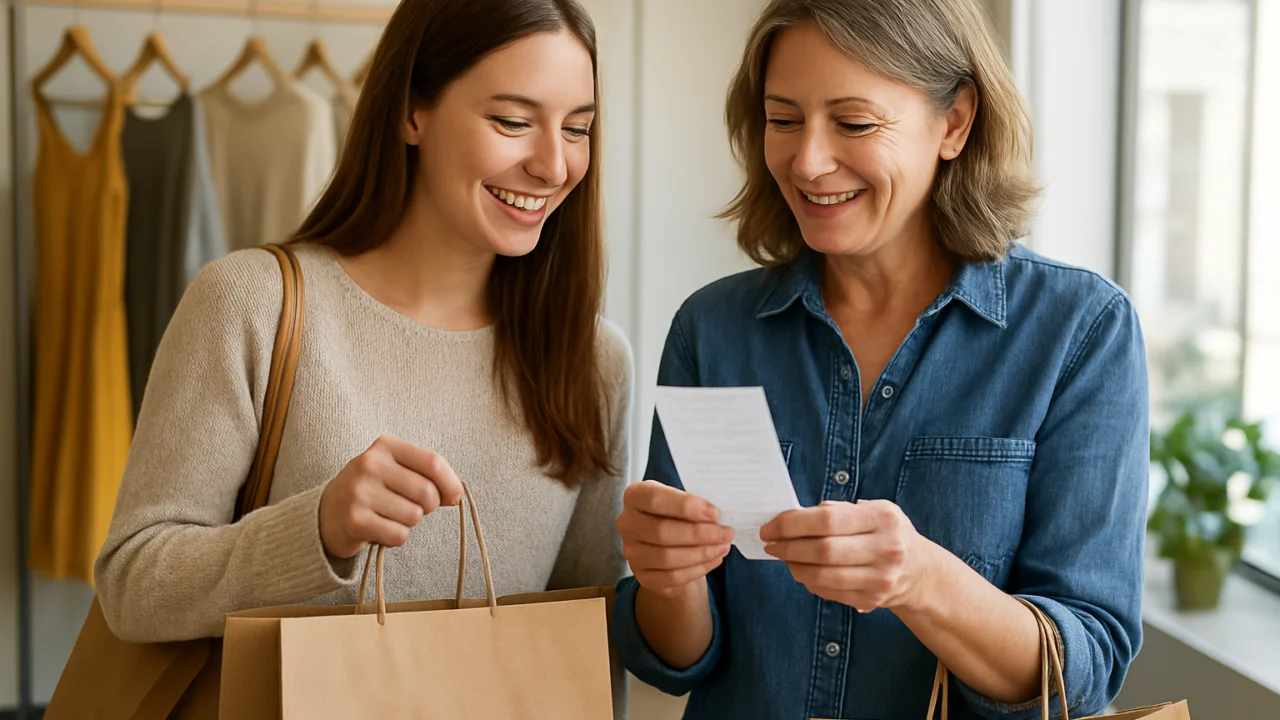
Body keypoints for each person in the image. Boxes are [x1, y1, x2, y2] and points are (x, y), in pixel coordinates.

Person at [613, 1, 1148, 718]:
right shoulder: (713, 330)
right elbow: (678, 662)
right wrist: (667, 578)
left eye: (855, 123)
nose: (807, 161)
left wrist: (922, 579)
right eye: (782, 119)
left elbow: (1084, 667)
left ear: (955, 123)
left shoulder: (1080, 332)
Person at [95, 0, 631, 715]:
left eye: (578, 129)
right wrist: (316, 529)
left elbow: (587, 644)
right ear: (413, 111)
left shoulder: (594, 359)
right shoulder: (253, 303)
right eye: (511, 121)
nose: (552, 164)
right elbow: (132, 584)